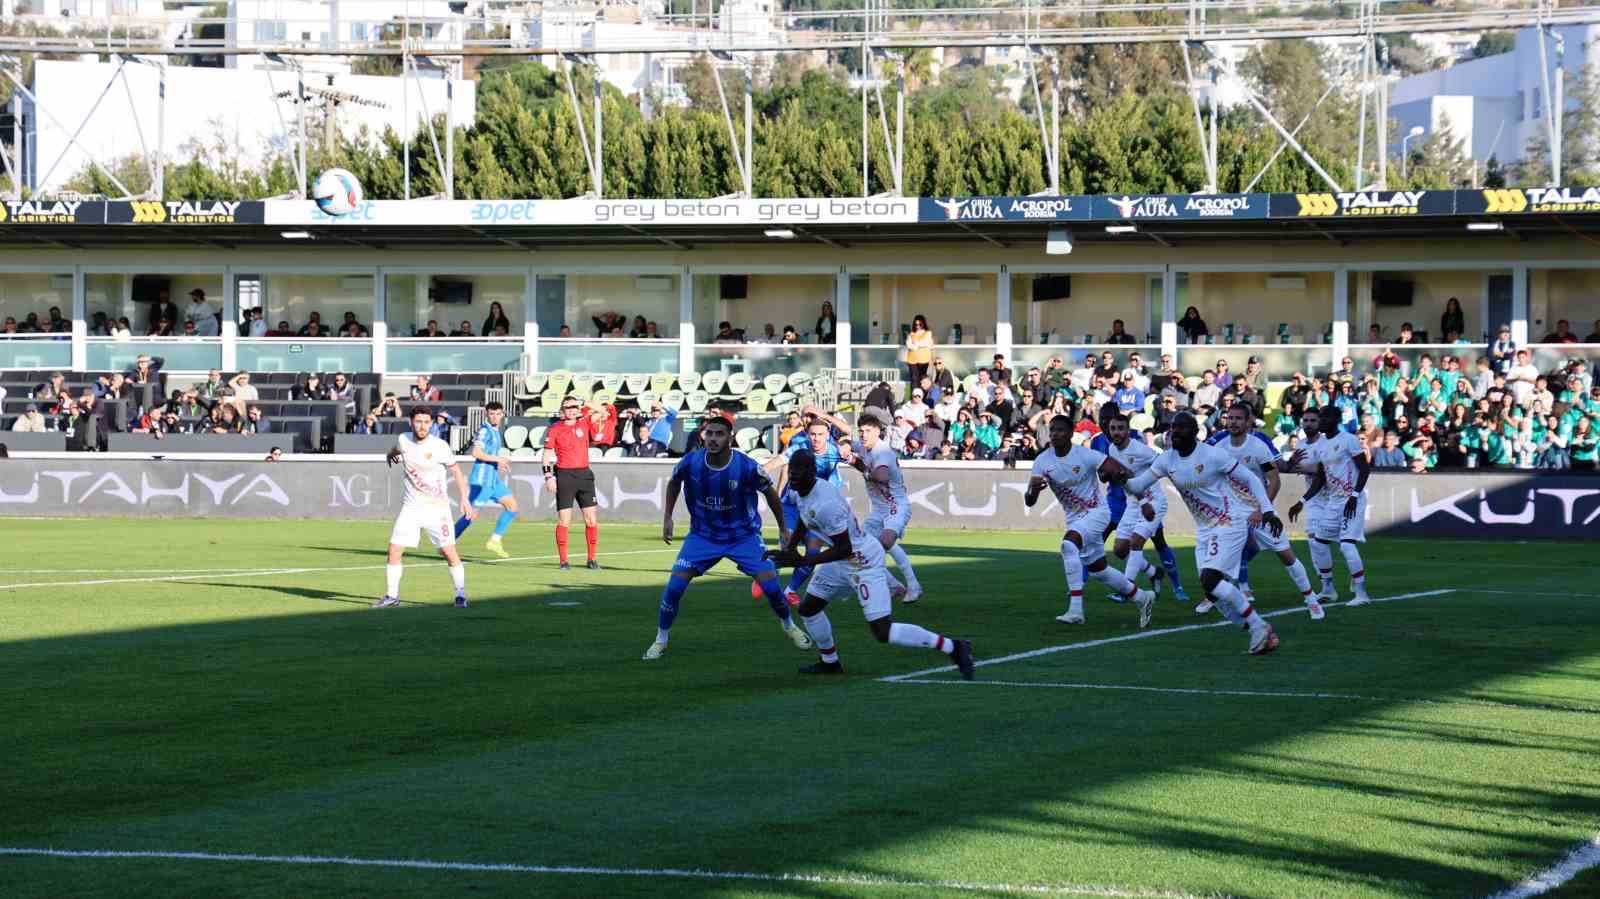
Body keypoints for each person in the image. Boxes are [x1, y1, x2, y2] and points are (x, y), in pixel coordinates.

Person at [768, 450, 975, 678]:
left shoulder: (827, 503)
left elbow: (844, 547)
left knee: (882, 631)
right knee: (808, 609)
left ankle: (954, 647)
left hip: (862, 562)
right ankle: (830, 662)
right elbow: (806, 518)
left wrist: (804, 560)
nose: (793, 476)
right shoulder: (803, 490)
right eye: (792, 471)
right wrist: (791, 547)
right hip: (840, 561)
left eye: (798, 472)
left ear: (812, 472)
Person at [646, 415, 812, 661]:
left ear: (730, 438)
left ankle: (789, 626)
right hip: (703, 536)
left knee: (771, 587)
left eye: (719, 434)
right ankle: (661, 639)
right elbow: (674, 484)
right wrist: (668, 517)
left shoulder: (746, 466)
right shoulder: (691, 462)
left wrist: (782, 529)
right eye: (709, 433)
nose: (713, 439)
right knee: (674, 588)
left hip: (743, 537)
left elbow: (771, 494)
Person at [1121, 412, 1283, 655]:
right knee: (1211, 590)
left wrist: (1268, 510)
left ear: (1195, 432)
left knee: (1211, 580)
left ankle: (1259, 626)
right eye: (1173, 428)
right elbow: (1136, 486)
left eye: (1181, 428)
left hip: (1230, 522)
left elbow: (1251, 479)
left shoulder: (1213, 454)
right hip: (1206, 528)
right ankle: (1258, 631)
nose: (1174, 432)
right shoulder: (1166, 460)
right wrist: (1119, 477)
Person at [1025, 414, 1157, 627]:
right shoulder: (1042, 460)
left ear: (1070, 434)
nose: (1055, 434)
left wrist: (1142, 501)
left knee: (1068, 545)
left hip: (1097, 512)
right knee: (1099, 571)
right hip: (1075, 518)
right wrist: (1033, 490)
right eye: (1052, 430)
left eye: (1060, 430)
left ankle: (1075, 610)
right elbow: (1029, 501)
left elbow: (1120, 471)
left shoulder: (1086, 455)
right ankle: (1143, 598)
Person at [1205, 403, 1322, 618]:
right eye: (1230, 418)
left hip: (1259, 510)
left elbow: (1274, 479)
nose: (1233, 422)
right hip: (1232, 514)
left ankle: (1311, 599)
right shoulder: (1219, 447)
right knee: (1219, 557)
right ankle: (1214, 596)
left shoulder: (1258, 447)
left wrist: (1262, 509)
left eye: (1238, 418)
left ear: (1249, 422)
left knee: (1286, 555)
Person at [376, 406, 474, 609]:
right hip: (411, 507)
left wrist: (464, 499)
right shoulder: (404, 439)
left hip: (437, 509)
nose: (422, 426)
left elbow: (456, 471)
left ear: (431, 423)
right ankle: (392, 596)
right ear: (411, 422)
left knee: (448, 551)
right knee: (394, 549)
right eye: (418, 421)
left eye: (426, 422)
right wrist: (390, 455)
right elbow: (396, 449)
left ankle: (461, 594)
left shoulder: (439, 446)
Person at [1288, 405, 1374, 607]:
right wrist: (1301, 501)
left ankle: (1362, 594)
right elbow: (1320, 478)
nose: (1321, 421)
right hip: (1334, 501)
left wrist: (1354, 494)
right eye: (1320, 418)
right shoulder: (1321, 445)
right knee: (1318, 543)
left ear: (1336, 419)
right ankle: (1328, 590)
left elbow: (1364, 469)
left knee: (1346, 544)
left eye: (1325, 418)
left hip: (1352, 500)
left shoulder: (1349, 440)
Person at [1100, 413, 1186, 608]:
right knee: (1120, 550)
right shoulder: (1112, 449)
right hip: (1134, 502)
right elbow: (1123, 478)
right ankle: (1153, 573)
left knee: (1136, 542)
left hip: (1154, 502)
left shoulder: (1141, 450)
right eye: (1113, 428)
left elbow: (1163, 463)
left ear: (1128, 431)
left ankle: (1126, 589)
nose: (1116, 432)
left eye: (1120, 428)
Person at [763, 419, 844, 605]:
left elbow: (852, 442)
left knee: (813, 554)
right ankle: (765, 574)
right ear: (808, 435)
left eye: (821, 434)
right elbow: (780, 461)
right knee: (787, 547)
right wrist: (760, 471)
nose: (816, 438)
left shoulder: (835, 451)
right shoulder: (800, 448)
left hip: (815, 510)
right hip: (792, 507)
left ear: (828, 435)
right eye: (813, 434)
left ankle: (789, 591)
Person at [846, 415, 924, 603]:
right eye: (861, 431)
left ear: (878, 432)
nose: (863, 435)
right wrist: (844, 443)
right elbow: (847, 435)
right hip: (879, 510)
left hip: (896, 506)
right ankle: (895, 586)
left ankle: (914, 586)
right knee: (860, 548)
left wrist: (856, 463)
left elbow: (880, 476)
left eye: (868, 431)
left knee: (885, 542)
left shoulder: (882, 452)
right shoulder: (865, 446)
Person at [446, 400, 523, 558]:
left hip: (493, 479)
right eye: (491, 414)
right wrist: (498, 460)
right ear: (487, 414)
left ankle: (495, 541)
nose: (494, 417)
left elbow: (488, 455)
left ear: (502, 414)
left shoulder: (496, 431)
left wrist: (498, 463)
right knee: (471, 515)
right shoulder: (485, 431)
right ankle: (447, 544)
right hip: (482, 481)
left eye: (497, 414)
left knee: (512, 506)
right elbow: (476, 453)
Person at [542, 395, 601, 570]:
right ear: (562, 410)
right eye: (567, 407)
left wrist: (584, 403)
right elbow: (546, 455)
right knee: (564, 520)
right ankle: (563, 561)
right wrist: (548, 477)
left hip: (584, 475)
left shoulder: (584, 422)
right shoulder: (555, 429)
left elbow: (602, 411)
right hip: (565, 475)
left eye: (574, 407)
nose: (571, 410)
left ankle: (591, 559)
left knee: (591, 519)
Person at [905, 314, 933, 387]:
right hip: (912, 360)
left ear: (923, 323)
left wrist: (915, 343)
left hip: (924, 360)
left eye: (920, 324)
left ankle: (921, 396)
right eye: (916, 324)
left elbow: (926, 343)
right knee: (914, 379)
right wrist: (917, 346)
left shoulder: (928, 333)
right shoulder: (911, 333)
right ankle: (914, 395)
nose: (917, 326)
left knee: (922, 379)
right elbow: (908, 345)